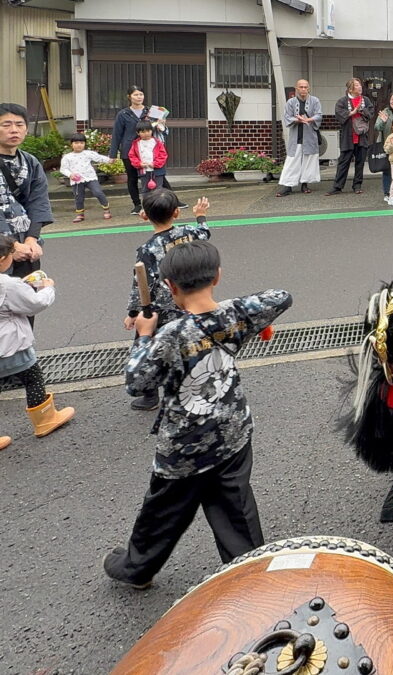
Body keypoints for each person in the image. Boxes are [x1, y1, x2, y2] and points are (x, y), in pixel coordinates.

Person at [104, 240, 292, 589]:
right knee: (236, 510)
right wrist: (237, 314)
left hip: (184, 448)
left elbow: (137, 381)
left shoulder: (170, 335)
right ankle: (250, 576)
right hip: (233, 432)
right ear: (217, 275)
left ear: (170, 286)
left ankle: (137, 569)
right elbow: (280, 297)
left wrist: (144, 335)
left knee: (162, 512)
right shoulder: (235, 315)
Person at [123, 189, 212, 410]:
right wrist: (200, 214)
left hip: (162, 309)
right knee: (191, 343)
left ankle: (150, 395)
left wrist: (134, 313)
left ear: (144, 215)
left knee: (149, 346)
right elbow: (204, 232)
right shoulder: (189, 232)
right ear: (176, 213)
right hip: (190, 300)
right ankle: (197, 387)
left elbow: (141, 283)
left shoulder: (147, 250)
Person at [0, 235, 74, 446]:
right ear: (3, 258)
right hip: (10, 344)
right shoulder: (8, 284)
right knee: (32, 378)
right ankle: (45, 420)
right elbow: (34, 304)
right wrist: (47, 288)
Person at [0, 103, 51, 282]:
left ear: (26, 130)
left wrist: (31, 240)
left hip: (25, 245)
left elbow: (39, 201)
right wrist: (11, 246)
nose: (14, 130)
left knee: (27, 294)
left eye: (19, 124)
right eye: (6, 125)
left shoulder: (30, 162)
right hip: (3, 247)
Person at [109, 85, 171, 214]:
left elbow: (163, 130)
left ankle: (172, 200)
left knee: (159, 176)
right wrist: (113, 154)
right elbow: (117, 134)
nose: (139, 97)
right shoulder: (123, 114)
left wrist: (162, 124)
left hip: (150, 150)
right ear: (129, 97)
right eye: (136, 94)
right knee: (132, 178)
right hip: (130, 151)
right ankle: (137, 204)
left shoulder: (152, 111)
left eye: (141, 94)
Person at [325, 77, 374, 196]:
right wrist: (351, 113)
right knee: (343, 162)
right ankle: (337, 186)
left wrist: (362, 111)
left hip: (361, 136)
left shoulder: (366, 100)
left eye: (360, 84)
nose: (360, 87)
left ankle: (357, 185)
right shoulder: (342, 101)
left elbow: (371, 113)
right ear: (350, 89)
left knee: (360, 162)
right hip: (348, 136)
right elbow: (339, 115)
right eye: (356, 85)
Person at [276, 79, 322, 198]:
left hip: (309, 136)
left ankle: (304, 184)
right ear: (296, 88)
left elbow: (319, 115)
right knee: (292, 161)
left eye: (305, 87)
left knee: (308, 161)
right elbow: (287, 117)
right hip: (296, 137)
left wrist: (308, 119)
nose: (303, 89)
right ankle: (288, 185)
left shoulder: (315, 100)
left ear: (308, 88)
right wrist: (298, 120)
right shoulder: (291, 102)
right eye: (301, 87)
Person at [60, 132, 116, 223]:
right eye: (76, 143)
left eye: (81, 143)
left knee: (98, 192)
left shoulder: (88, 153)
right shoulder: (67, 157)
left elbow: (99, 158)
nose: (79, 145)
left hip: (90, 178)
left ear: (85, 144)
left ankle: (106, 209)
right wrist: (70, 175)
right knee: (78, 197)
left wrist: (109, 160)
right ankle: (80, 214)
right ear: (71, 144)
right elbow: (63, 169)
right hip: (77, 181)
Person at [127, 120, 168, 199]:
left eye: (148, 131)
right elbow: (132, 156)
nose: (146, 133)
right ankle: (147, 205)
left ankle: (158, 205)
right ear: (138, 133)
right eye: (143, 132)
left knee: (158, 189)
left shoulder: (157, 142)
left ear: (151, 131)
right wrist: (139, 164)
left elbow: (163, 155)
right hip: (144, 171)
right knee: (145, 190)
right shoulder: (136, 144)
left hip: (157, 171)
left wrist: (155, 164)